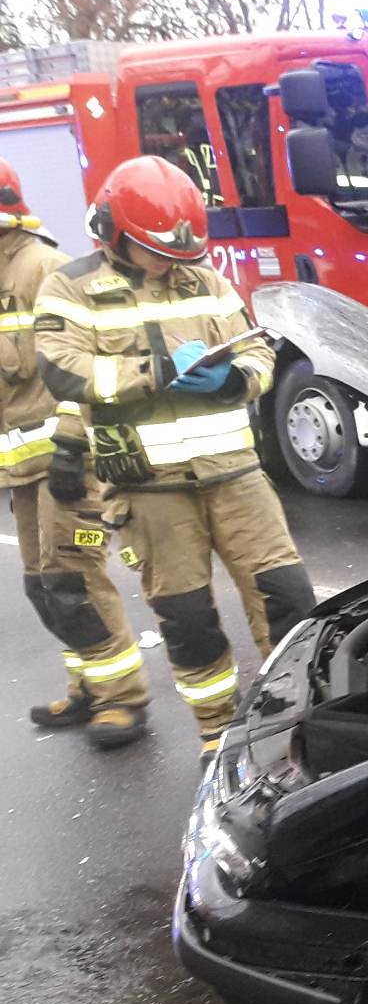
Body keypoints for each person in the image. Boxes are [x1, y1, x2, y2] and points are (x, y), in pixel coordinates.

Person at [35, 155, 314, 766]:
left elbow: (259, 355)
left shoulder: (207, 281)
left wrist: (233, 380)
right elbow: (62, 368)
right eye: (157, 252)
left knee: (288, 598)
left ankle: (297, 721)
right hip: (149, 488)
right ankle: (219, 735)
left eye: (180, 254)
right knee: (187, 619)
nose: (171, 264)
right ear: (112, 233)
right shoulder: (70, 288)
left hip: (236, 476)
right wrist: (155, 372)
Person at [0, 160, 149, 747]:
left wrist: (71, 444)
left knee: (75, 580)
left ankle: (122, 699)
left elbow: (84, 366)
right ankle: (87, 684)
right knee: (44, 587)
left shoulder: (44, 268)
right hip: (24, 471)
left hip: (69, 464)